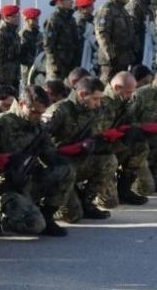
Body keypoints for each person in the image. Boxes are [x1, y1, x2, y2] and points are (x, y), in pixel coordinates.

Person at [0, 85, 73, 237]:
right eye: (33, 112)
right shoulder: (0, 124)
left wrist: (63, 156)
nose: (37, 116)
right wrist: (6, 161)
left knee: (66, 169)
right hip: (2, 188)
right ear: (20, 103)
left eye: (41, 113)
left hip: (26, 180)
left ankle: (47, 215)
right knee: (35, 226)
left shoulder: (38, 127)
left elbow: (49, 154)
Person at [43, 76, 116, 222]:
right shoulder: (59, 110)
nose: (98, 103)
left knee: (109, 160)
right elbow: (42, 144)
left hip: (78, 161)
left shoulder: (90, 109)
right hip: (58, 167)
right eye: (95, 99)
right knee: (73, 215)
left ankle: (86, 201)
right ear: (82, 95)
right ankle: (47, 208)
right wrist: (69, 149)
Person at [95, 71, 151, 204]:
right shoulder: (102, 102)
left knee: (140, 147)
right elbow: (98, 135)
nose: (131, 95)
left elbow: (130, 121)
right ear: (117, 88)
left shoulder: (124, 100)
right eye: (128, 92)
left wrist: (137, 129)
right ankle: (87, 190)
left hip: (115, 144)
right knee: (110, 202)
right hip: (99, 151)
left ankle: (124, 189)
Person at [96, 0, 136, 82]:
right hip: (111, 60)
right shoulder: (106, 10)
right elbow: (102, 34)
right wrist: (111, 56)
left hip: (124, 58)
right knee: (108, 85)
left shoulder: (122, 10)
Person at [44, 0, 79, 83]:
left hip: (70, 64)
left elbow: (75, 42)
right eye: (68, 0)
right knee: (56, 92)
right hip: (57, 66)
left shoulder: (71, 19)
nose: (72, 2)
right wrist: (54, 65)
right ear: (60, 2)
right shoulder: (53, 20)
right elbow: (48, 45)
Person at [127, 0, 156, 65]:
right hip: (140, 53)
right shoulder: (135, 6)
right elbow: (132, 32)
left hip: (148, 49)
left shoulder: (146, 5)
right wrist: (138, 52)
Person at [0, 5, 22, 90]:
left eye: (17, 16)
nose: (17, 19)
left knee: (15, 101)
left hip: (14, 75)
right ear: (6, 18)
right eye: (14, 16)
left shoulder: (14, 33)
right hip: (4, 77)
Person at [19, 7, 43, 85]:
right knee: (28, 88)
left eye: (37, 19)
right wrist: (33, 62)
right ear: (27, 20)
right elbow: (21, 54)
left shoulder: (38, 33)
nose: (36, 21)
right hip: (28, 68)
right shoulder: (24, 34)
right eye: (34, 19)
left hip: (39, 67)